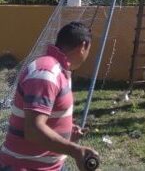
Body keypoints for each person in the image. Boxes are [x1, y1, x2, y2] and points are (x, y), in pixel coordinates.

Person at [0, 22, 99, 171]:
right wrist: (76, 150)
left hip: (47, 165)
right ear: (83, 46)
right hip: (24, 167)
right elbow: (33, 129)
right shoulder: (46, 73)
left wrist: (66, 130)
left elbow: (44, 115)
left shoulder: (58, 71)